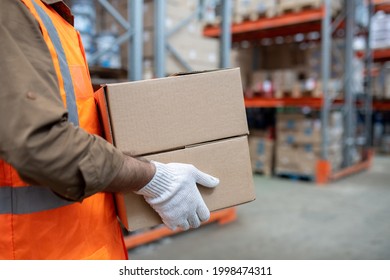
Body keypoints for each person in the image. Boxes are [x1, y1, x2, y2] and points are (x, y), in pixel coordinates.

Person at [0, 0, 219, 260]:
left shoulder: (52, 17)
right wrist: (155, 179)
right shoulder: (12, 9)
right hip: (30, 252)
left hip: (83, 244)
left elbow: (76, 123)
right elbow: (41, 145)